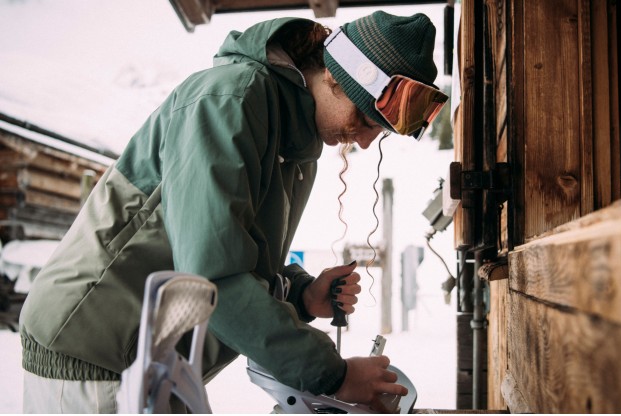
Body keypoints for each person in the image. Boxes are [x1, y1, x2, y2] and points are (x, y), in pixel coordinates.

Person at [19, 9, 447, 413]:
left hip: (150, 354)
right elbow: (213, 275)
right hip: (96, 347)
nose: (366, 140)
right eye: (366, 120)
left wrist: (301, 293)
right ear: (336, 77)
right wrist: (334, 375)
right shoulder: (229, 101)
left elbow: (238, 257)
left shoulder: (296, 145)